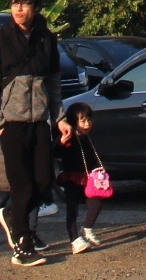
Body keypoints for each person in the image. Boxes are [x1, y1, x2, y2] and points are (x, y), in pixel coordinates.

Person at [0, 0, 60, 268]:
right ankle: (23, 246)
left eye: (23, 3)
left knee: (44, 181)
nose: (17, 8)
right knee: (21, 185)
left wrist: (59, 119)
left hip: (39, 122)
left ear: (35, 7)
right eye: (14, 2)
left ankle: (11, 215)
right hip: (11, 125)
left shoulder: (47, 39)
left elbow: (53, 85)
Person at [55, 102, 107, 254]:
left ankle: (87, 228)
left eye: (89, 120)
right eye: (82, 120)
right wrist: (61, 142)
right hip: (71, 179)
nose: (87, 124)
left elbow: (93, 157)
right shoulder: (68, 137)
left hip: (89, 179)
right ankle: (74, 240)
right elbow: (55, 152)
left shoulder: (88, 138)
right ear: (73, 122)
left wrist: (99, 168)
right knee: (72, 209)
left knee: (96, 204)